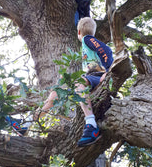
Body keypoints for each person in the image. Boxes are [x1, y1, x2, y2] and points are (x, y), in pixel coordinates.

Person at [36, 17, 114, 147]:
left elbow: (105, 50)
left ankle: (91, 123)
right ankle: (26, 123)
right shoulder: (87, 42)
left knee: (78, 82)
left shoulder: (86, 39)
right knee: (56, 93)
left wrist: (107, 71)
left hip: (98, 75)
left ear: (79, 32)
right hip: (91, 76)